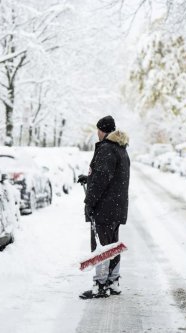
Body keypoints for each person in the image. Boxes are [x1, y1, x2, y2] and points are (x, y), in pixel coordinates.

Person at [77, 115, 130, 299]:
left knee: (102, 245)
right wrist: (89, 178)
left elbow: (101, 181)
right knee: (112, 245)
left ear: (103, 130)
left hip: (105, 209)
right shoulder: (120, 149)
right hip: (116, 207)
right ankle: (113, 282)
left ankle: (100, 285)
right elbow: (108, 176)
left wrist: (89, 202)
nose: (97, 133)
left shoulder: (106, 149)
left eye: (98, 130)